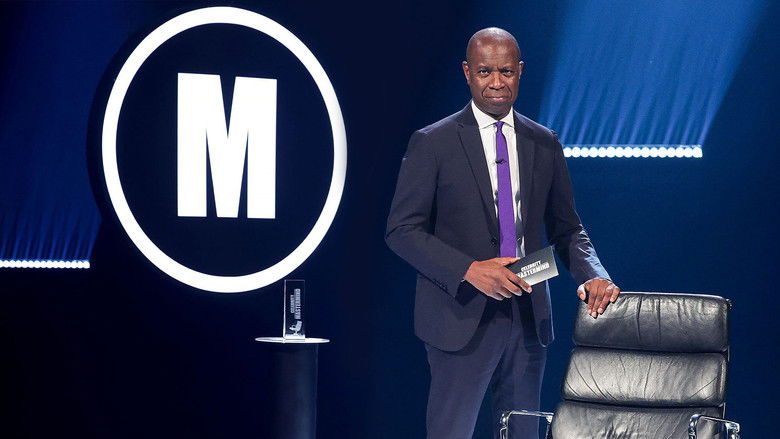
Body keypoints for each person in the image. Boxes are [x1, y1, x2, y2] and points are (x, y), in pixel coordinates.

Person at [385, 28, 620, 439]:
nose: (496, 82)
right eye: (485, 71)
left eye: (506, 71)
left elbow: (567, 227)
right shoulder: (433, 142)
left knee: (523, 432)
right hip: (460, 317)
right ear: (467, 72)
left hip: (528, 317)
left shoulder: (544, 142)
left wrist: (593, 274)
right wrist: (469, 270)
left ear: (520, 71)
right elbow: (402, 230)